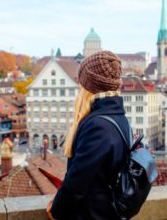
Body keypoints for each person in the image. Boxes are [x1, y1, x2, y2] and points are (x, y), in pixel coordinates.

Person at [47, 51, 130, 219]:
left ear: (89, 86)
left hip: (92, 214)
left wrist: (55, 211)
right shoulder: (119, 117)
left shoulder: (97, 126)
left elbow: (77, 182)